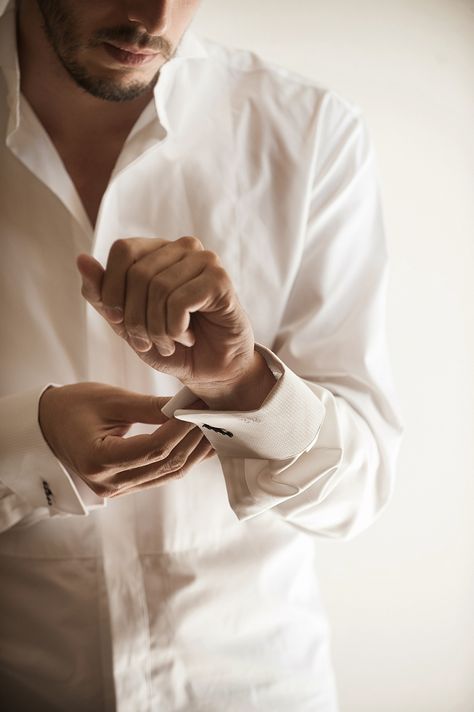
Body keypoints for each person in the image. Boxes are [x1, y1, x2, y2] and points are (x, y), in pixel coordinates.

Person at [0, 1, 403, 710]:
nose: (153, 16)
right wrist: (26, 449)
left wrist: (246, 385)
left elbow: (360, 489)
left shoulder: (309, 133)